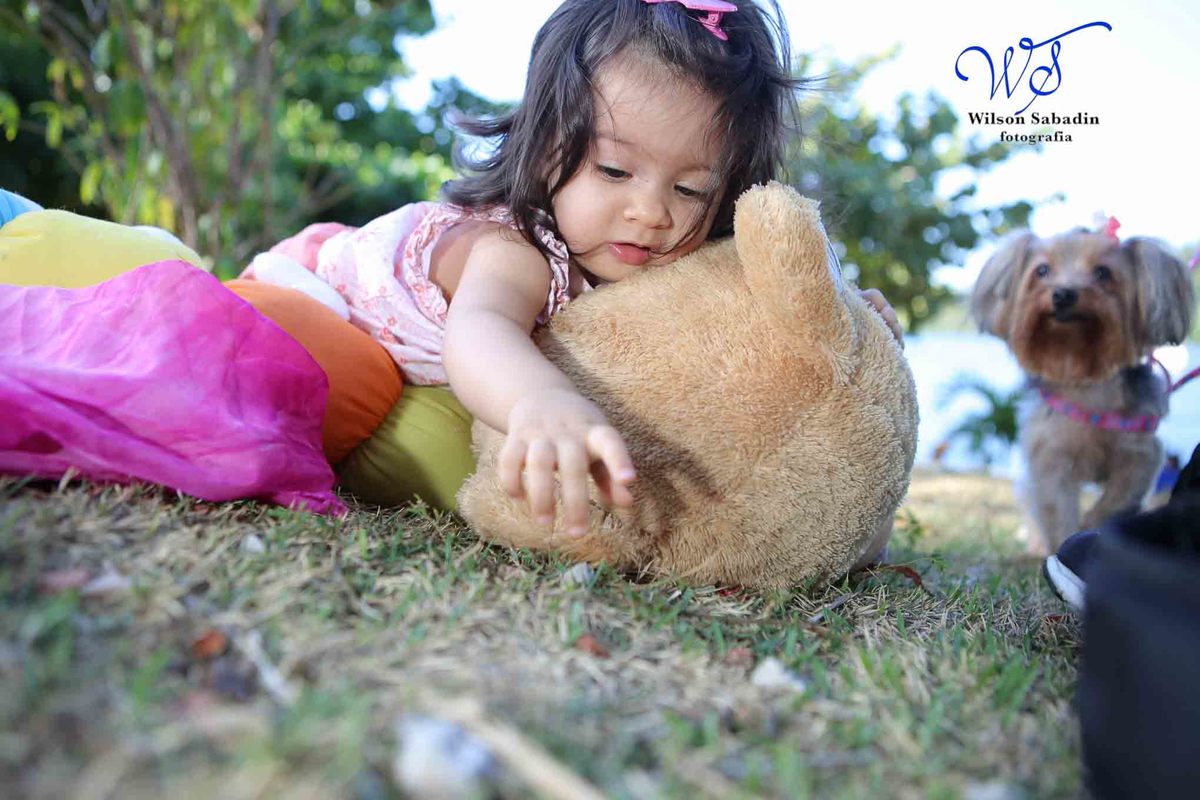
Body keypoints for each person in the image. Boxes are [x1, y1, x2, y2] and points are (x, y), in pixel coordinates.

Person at [252, 0, 903, 525]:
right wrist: (540, 402)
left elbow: (733, 319)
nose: (650, 211)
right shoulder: (513, 251)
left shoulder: (654, 266)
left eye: (690, 190)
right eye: (615, 169)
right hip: (317, 298)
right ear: (542, 151)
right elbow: (481, 331)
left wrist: (844, 317)